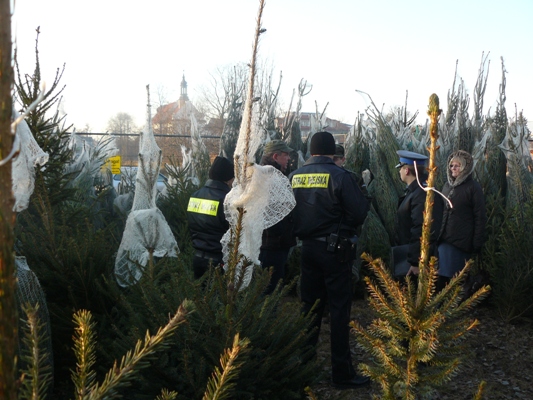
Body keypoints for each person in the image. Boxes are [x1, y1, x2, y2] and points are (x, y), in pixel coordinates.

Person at [289, 131, 370, 389]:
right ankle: (342, 374)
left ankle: (305, 366)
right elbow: (359, 214)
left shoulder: (294, 177)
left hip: (307, 250)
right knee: (338, 311)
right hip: (335, 252)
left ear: (311, 150)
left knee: (309, 309)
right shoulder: (340, 176)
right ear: (331, 151)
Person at [437, 150, 486, 291]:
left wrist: (477, 242)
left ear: (465, 168)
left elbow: (480, 216)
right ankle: (440, 309)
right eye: (451, 166)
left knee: (456, 279)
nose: (453, 168)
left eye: (457, 166)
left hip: (461, 243)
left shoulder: (473, 188)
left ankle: (455, 309)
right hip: (444, 240)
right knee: (441, 278)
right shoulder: (447, 186)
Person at [393, 150, 443, 279]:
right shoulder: (415, 191)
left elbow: (421, 229)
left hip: (415, 261)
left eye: (401, 168)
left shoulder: (421, 193)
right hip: (408, 253)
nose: (399, 172)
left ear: (407, 171)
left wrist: (416, 262)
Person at [187, 156, 234, 279]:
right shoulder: (227, 200)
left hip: (197, 258)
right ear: (228, 178)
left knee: (201, 296)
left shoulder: (195, 196)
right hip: (219, 260)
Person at [259, 140, 296, 294]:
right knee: (269, 291)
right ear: (275, 156)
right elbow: (272, 212)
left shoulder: (259, 174)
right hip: (273, 245)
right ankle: (267, 318)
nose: (288, 159)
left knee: (263, 287)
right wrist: (283, 232)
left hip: (264, 243)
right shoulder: (273, 179)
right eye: (285, 155)